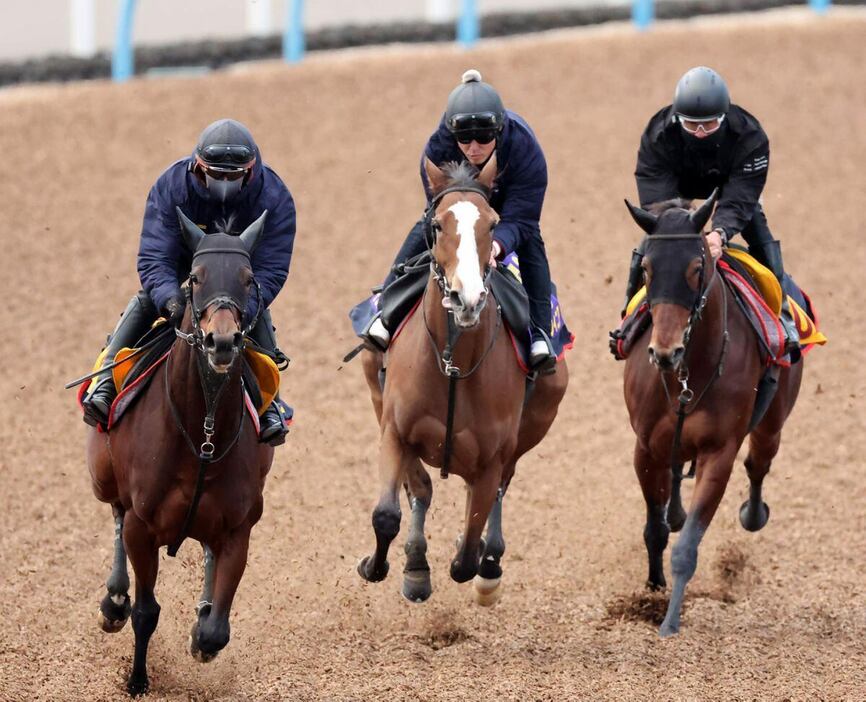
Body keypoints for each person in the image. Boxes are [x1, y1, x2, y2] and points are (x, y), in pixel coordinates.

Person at [81, 118, 296, 445]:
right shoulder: (171, 186)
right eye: (215, 175)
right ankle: (106, 379)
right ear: (198, 167)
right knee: (144, 301)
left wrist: (247, 306)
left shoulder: (275, 197)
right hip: (184, 271)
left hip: (238, 282)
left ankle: (271, 405)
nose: (224, 182)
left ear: (250, 172)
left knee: (258, 317)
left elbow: (271, 269)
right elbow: (155, 258)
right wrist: (170, 299)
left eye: (233, 177)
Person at [362, 69, 557, 371]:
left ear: (500, 130)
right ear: (453, 134)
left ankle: (540, 334)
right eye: (465, 139)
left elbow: (523, 219)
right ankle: (386, 312)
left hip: (508, 211)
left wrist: (497, 246)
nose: (474, 147)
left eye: (484, 137)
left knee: (532, 246)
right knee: (429, 229)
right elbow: (439, 211)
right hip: (457, 205)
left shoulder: (525, 149)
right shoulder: (437, 149)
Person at [623, 65, 800, 355]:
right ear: (677, 119)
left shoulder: (750, 137)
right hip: (675, 192)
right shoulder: (658, 135)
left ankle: (782, 317)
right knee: (654, 247)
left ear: (724, 117)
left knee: (759, 233)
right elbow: (655, 193)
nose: (701, 133)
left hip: (730, 185)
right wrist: (673, 227)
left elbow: (741, 196)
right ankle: (630, 318)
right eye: (692, 125)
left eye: (709, 125)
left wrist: (719, 232)